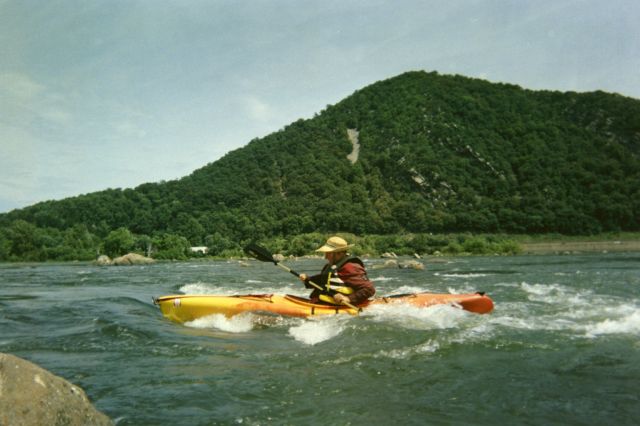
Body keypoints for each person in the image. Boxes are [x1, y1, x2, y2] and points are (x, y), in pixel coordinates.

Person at [299, 236, 375, 305]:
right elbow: (323, 282)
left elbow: (369, 289)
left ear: (339, 253)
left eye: (328, 253)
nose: (325, 256)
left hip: (338, 307)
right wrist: (307, 279)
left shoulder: (350, 267)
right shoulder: (329, 266)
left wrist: (348, 299)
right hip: (320, 302)